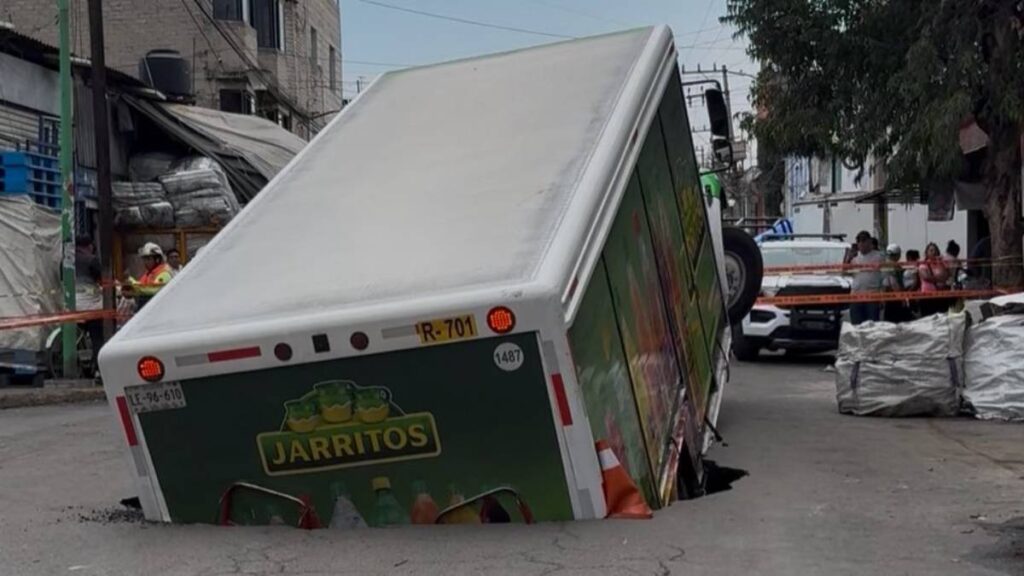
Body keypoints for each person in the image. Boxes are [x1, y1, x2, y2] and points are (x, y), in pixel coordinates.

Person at [74, 236, 105, 373]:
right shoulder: (92, 260)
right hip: (92, 307)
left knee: (76, 336)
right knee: (97, 336)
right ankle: (98, 368)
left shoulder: (65, 261)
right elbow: (102, 279)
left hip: (72, 307)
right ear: (89, 246)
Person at [848, 230, 884, 325]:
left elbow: (884, 276)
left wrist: (882, 296)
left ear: (870, 242)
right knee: (856, 324)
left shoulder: (878, 256)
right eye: (859, 241)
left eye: (864, 240)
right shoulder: (854, 258)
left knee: (872, 325)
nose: (861, 243)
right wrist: (848, 257)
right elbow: (844, 272)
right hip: (856, 295)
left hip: (872, 295)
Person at [125, 243, 174, 309]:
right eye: (144, 259)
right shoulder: (148, 274)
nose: (145, 262)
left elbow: (152, 290)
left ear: (157, 259)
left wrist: (132, 282)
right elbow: (141, 290)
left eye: (148, 259)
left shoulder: (164, 273)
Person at [918, 242, 950, 317]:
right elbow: (926, 277)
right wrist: (939, 279)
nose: (934, 252)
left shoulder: (940, 264)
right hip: (927, 296)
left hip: (939, 295)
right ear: (927, 253)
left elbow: (946, 276)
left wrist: (940, 263)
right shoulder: (923, 265)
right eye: (931, 250)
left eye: (935, 250)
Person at [881, 243, 909, 322]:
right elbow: (894, 282)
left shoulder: (883, 265)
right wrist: (902, 297)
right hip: (895, 297)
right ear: (897, 254)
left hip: (886, 296)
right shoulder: (895, 266)